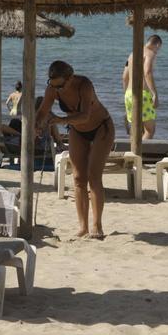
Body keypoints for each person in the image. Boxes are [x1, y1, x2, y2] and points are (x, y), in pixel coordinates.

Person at [37, 61, 115, 240]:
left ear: (70, 77)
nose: (59, 90)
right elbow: (43, 111)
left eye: (61, 85)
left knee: (93, 175)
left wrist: (59, 120)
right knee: (78, 178)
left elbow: (85, 116)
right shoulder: (53, 88)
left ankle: (97, 225)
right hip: (77, 130)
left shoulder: (84, 85)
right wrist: (37, 124)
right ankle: (83, 227)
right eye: (53, 85)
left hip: (101, 127)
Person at [122, 35, 162, 139]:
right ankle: (141, 154)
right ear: (157, 45)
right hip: (142, 95)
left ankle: (132, 152)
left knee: (136, 129)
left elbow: (124, 77)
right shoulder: (150, 53)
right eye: (159, 48)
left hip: (129, 94)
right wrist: (154, 94)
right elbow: (147, 72)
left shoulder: (132, 55)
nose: (157, 51)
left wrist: (126, 94)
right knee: (149, 130)